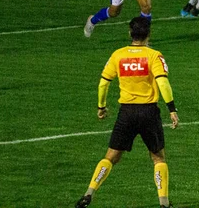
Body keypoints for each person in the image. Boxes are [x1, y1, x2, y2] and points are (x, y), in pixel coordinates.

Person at [75, 17, 179, 208]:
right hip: (148, 112)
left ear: (130, 33)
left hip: (127, 114)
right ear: (149, 34)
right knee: (158, 158)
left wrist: (101, 106)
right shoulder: (154, 55)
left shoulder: (118, 55)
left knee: (111, 157)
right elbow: (163, 82)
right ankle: (164, 203)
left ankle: (88, 194)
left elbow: (103, 82)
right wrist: (171, 109)